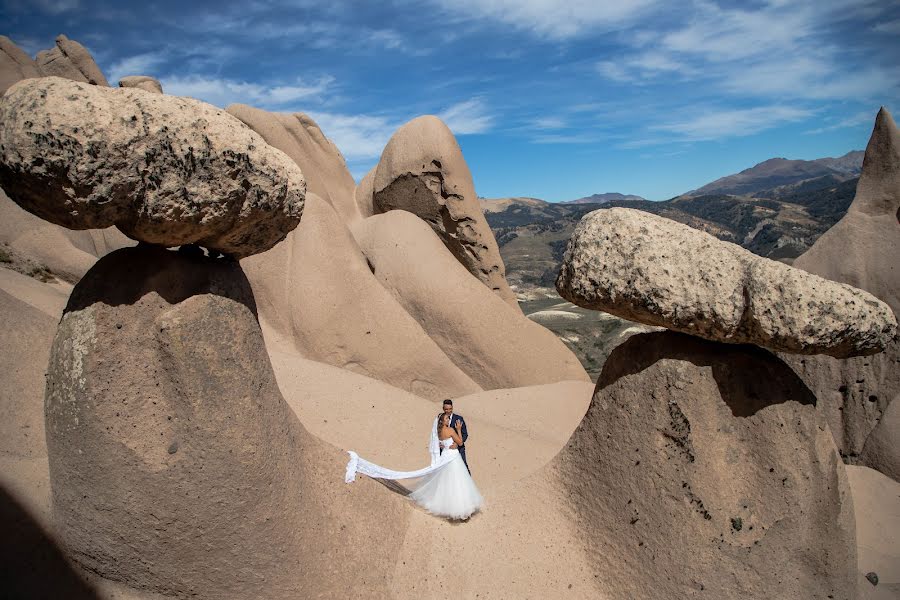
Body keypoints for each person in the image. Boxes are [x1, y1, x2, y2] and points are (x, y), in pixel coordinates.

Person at [344, 412, 483, 520]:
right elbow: (460, 443)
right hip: (452, 457)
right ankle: (461, 510)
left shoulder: (439, 432)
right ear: (443, 421)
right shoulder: (451, 430)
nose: (449, 420)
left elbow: (441, 443)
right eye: (447, 418)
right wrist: (458, 429)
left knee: (445, 481)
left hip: (445, 456)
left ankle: (449, 506)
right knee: (456, 482)